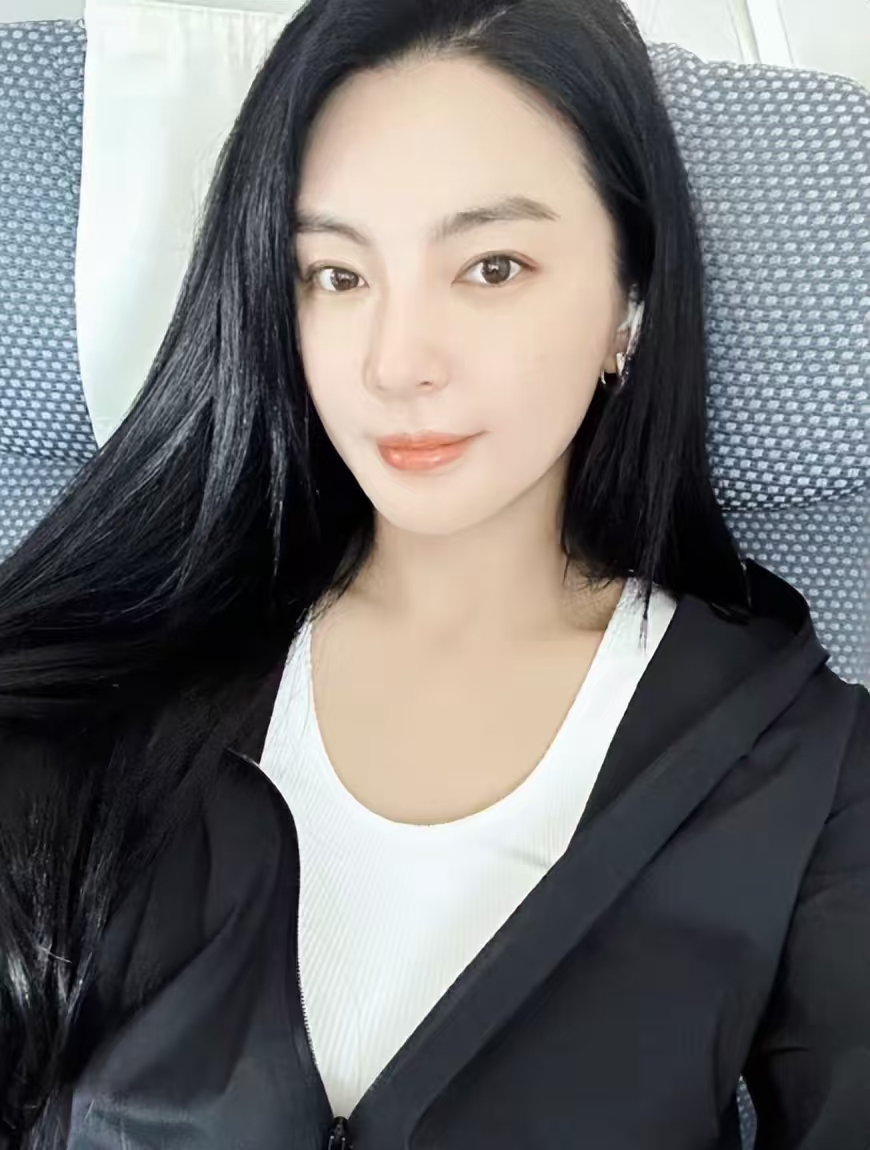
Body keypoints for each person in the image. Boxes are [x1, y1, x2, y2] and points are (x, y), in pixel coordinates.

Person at [0, 0, 867, 1147]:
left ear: (631, 300)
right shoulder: (112, 670)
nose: (396, 362)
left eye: (491, 267)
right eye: (335, 274)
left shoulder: (805, 768)